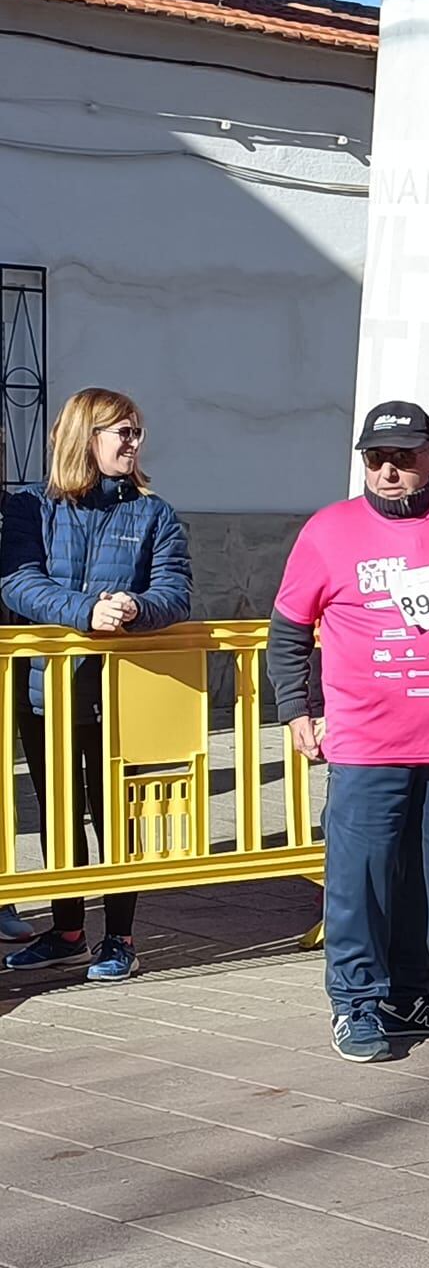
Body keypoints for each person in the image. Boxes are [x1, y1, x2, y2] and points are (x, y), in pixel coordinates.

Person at [268, 401, 429, 1063]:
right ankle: (356, 1003)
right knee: (361, 879)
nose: (388, 471)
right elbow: (288, 631)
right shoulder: (329, 531)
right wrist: (295, 708)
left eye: (404, 458)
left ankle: (412, 995)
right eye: (376, 459)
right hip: (366, 744)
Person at [1, 387, 191, 980]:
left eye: (136, 432)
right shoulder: (33, 507)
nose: (133, 442)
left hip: (122, 693)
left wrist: (135, 608)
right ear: (87, 437)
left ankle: (121, 938)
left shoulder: (153, 512)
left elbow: (176, 592)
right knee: (61, 813)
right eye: (121, 432)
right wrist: (86, 610)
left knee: (115, 816)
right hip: (43, 691)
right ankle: (67, 930)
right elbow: (17, 583)